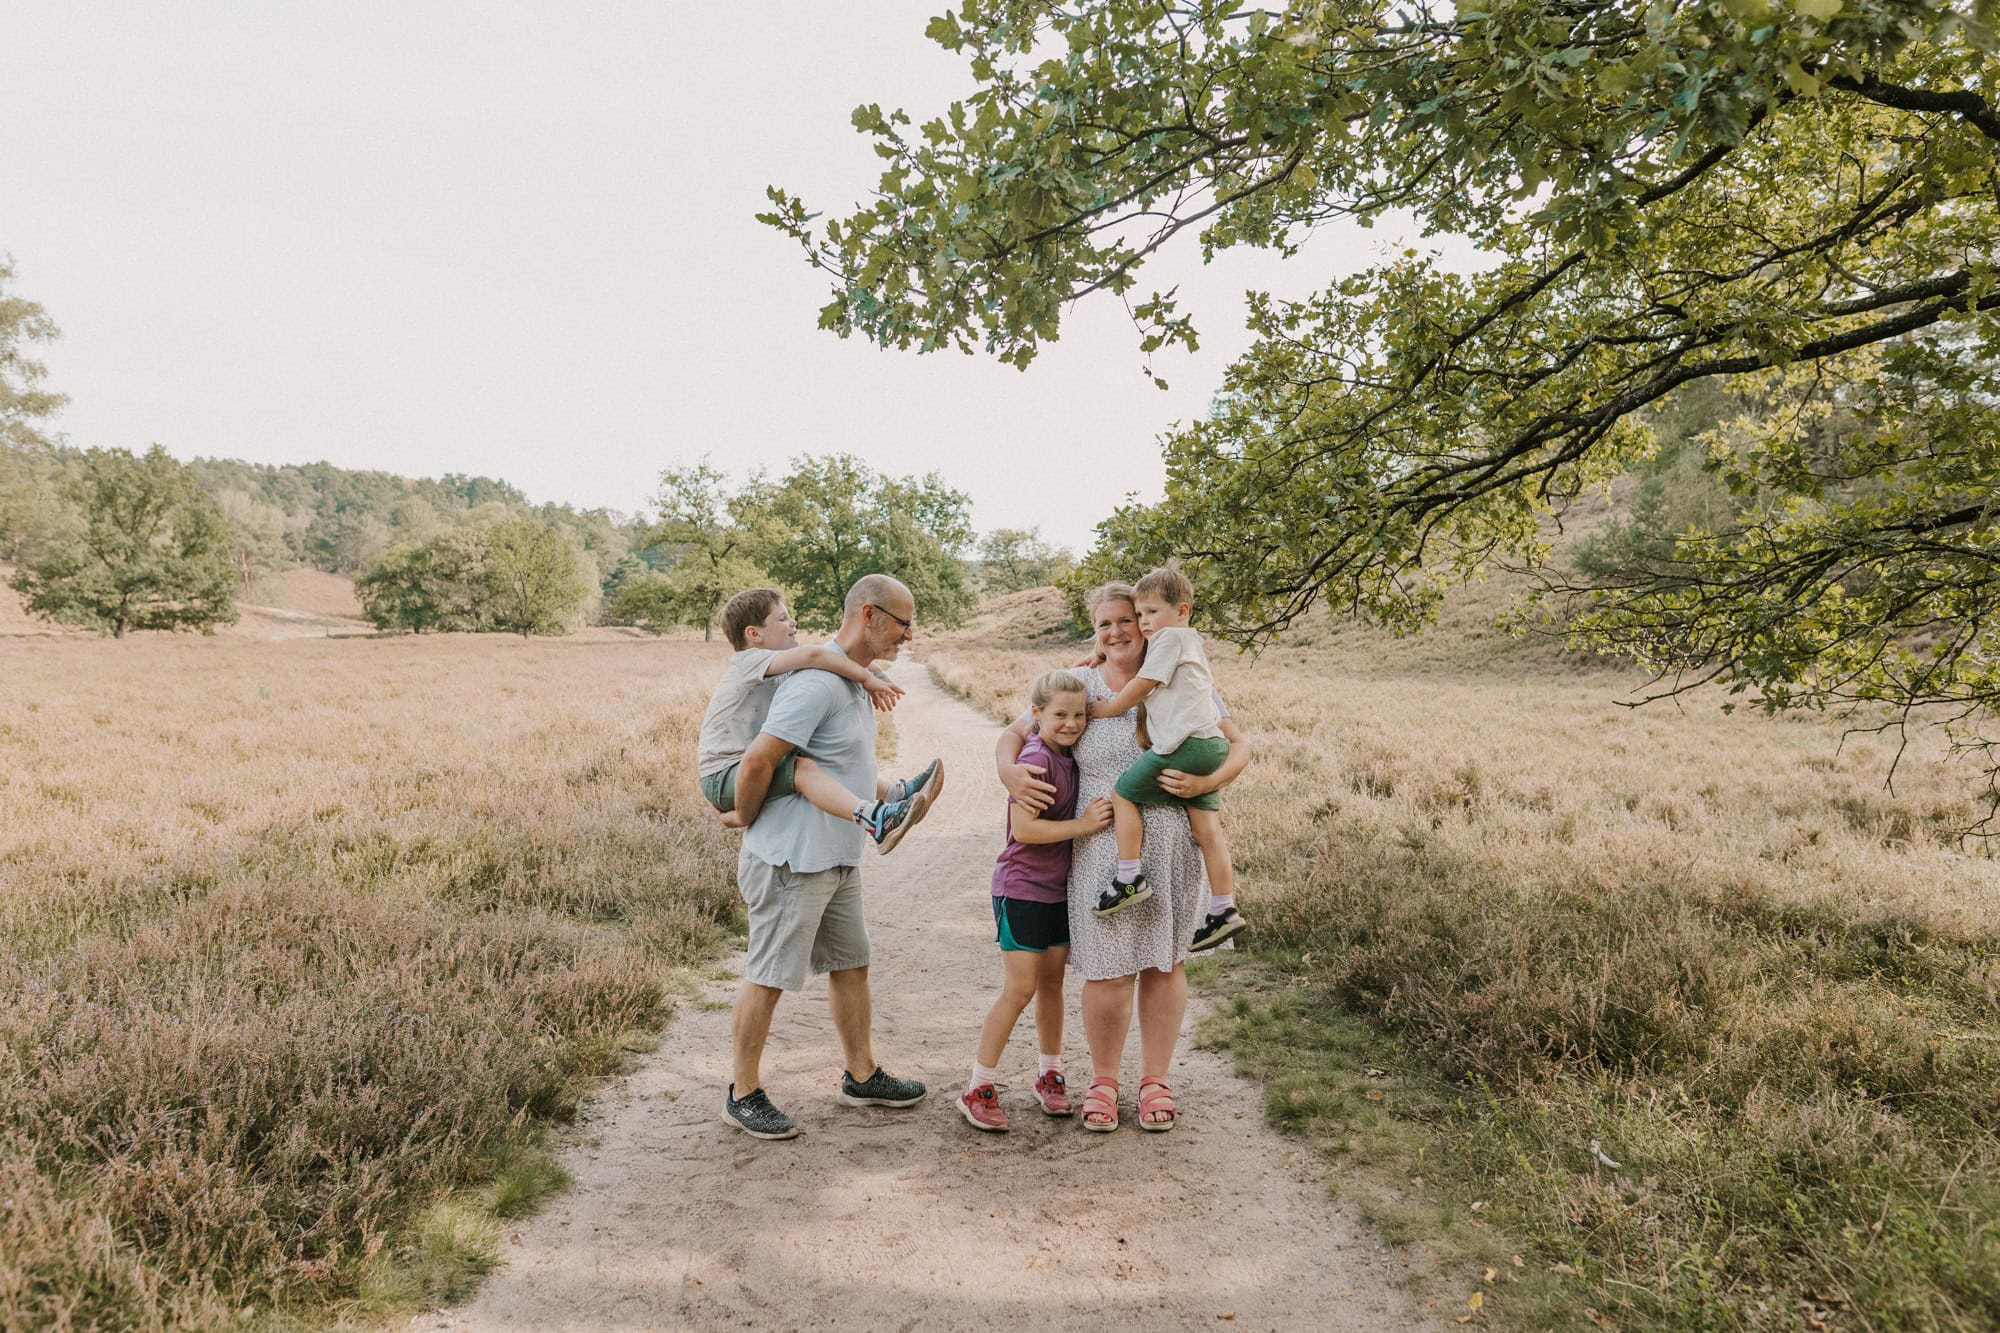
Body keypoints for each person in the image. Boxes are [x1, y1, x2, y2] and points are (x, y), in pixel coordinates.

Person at [996, 582, 1253, 1132]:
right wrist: (1009, 772)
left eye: (1124, 621)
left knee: (1165, 964)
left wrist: (1210, 779)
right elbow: (1016, 732)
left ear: (1146, 624)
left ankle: (1156, 1078)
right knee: (1108, 970)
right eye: (1103, 624)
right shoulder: (1079, 682)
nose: (1114, 632)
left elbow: (1240, 746)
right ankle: (1105, 1082)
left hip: (1173, 842)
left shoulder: (1181, 676)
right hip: (1099, 849)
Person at [723, 574, 932, 1140]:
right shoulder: (816, 681)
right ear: (870, 615)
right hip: (792, 858)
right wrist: (741, 818)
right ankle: (742, 1093)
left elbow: (843, 768)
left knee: (851, 964)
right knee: (769, 974)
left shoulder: (855, 682)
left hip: (837, 855)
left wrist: (895, 793)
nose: (909, 635)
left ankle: (861, 1075)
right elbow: (760, 760)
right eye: (903, 622)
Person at [960, 670, 1113, 1133]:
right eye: (1059, 715)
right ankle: (977, 1087)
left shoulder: (1068, 754)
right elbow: (1025, 831)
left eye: (1079, 715)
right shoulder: (1036, 760)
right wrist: (1084, 826)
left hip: (1059, 891)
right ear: (1037, 715)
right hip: (1022, 888)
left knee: (1051, 987)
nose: (1070, 723)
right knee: (1021, 988)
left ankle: (1049, 1073)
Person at [697, 586, 943, 853]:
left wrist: (879, 675)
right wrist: (741, 816)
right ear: (754, 634)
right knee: (803, 769)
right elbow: (816, 655)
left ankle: (897, 793)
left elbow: (834, 656)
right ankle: (875, 819)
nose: (793, 622)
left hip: (741, 768)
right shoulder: (748, 660)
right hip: (723, 774)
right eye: (782, 619)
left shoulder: (777, 662)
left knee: (823, 758)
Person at [1086, 565, 1244, 949]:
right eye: (1139, 615)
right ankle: (1223, 908)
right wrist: (1095, 653)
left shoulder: (1170, 640)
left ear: (1182, 610)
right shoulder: (1185, 645)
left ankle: (1129, 877)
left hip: (1184, 746)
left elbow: (1144, 683)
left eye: (1146, 614)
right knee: (1208, 832)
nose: (1143, 623)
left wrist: (1107, 709)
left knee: (1123, 794)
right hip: (1208, 746)